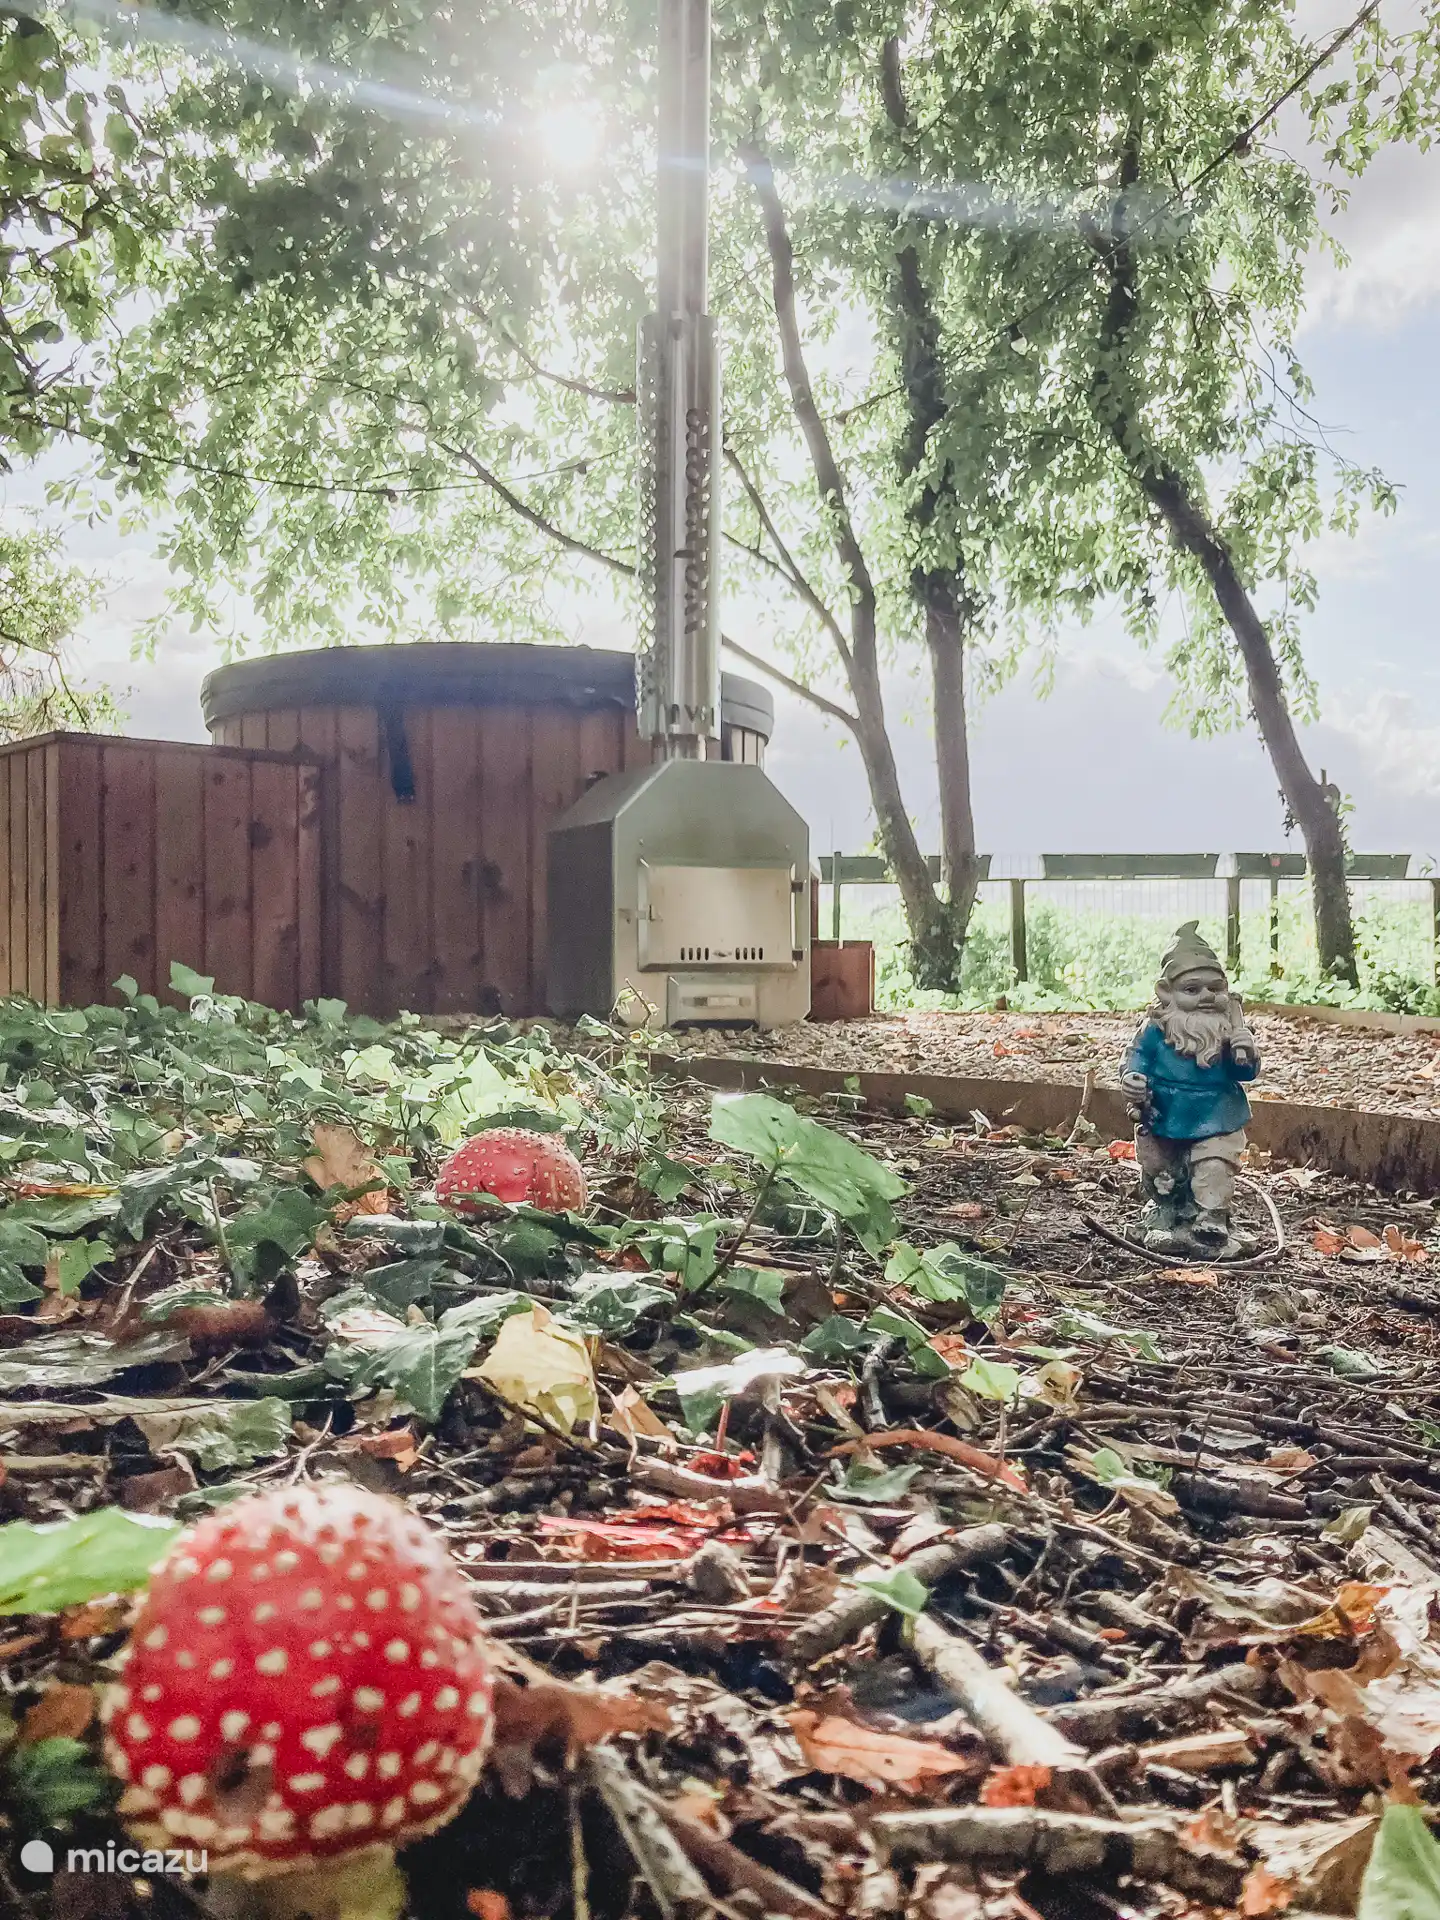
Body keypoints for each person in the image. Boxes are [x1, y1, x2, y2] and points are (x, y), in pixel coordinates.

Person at [1119, 921, 1259, 1253]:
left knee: (1215, 1165)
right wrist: (1133, 1080)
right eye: (1192, 990)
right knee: (1161, 1169)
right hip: (1165, 1111)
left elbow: (1245, 1073)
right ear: (1167, 993)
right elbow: (1136, 1057)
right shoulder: (1156, 1029)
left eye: (1216, 988)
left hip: (1217, 1114)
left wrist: (1245, 1053)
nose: (1207, 997)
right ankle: (1167, 1210)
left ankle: (1211, 1217)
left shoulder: (1228, 1030)